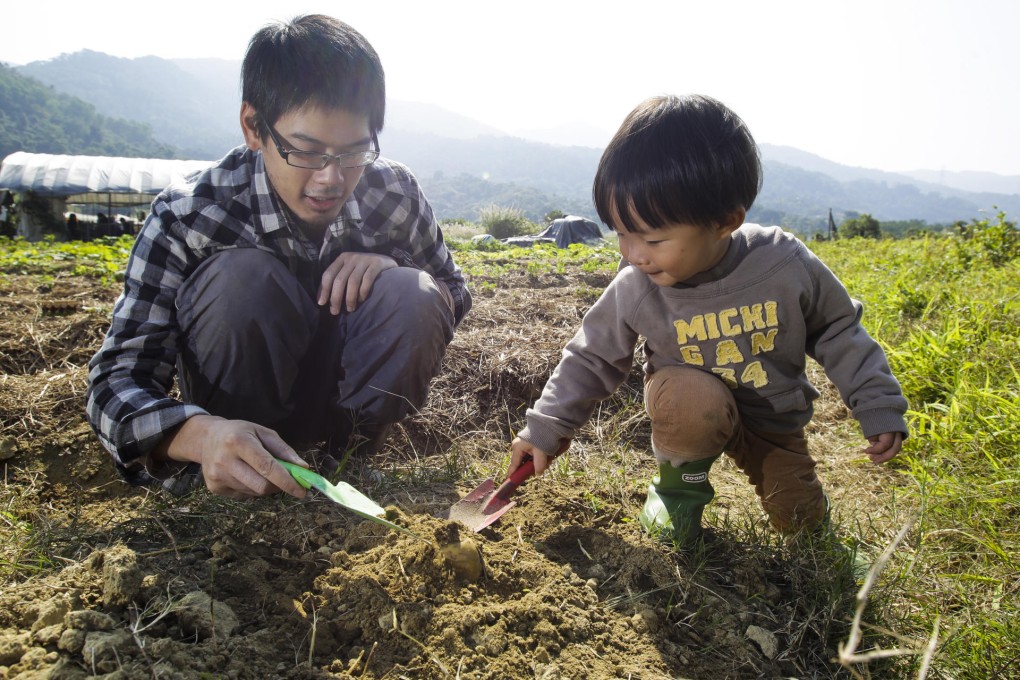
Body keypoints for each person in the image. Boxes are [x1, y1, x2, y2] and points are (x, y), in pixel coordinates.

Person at [86, 15, 471, 500]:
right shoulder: (192, 214)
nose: (332, 178)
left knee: (412, 291)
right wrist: (201, 436)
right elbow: (115, 382)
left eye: (354, 152)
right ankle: (246, 467)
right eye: (307, 152)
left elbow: (453, 291)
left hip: (347, 416)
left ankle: (350, 457)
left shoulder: (392, 192)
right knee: (241, 280)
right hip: (236, 419)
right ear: (254, 127)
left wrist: (396, 263)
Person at [508, 94, 907, 543]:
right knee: (688, 395)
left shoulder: (783, 264)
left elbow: (839, 330)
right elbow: (591, 358)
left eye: (653, 239)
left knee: (801, 524)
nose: (634, 254)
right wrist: (545, 428)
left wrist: (876, 403)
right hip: (689, 408)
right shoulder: (636, 285)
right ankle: (677, 491)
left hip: (773, 419)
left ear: (724, 222)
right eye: (622, 233)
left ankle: (809, 526)